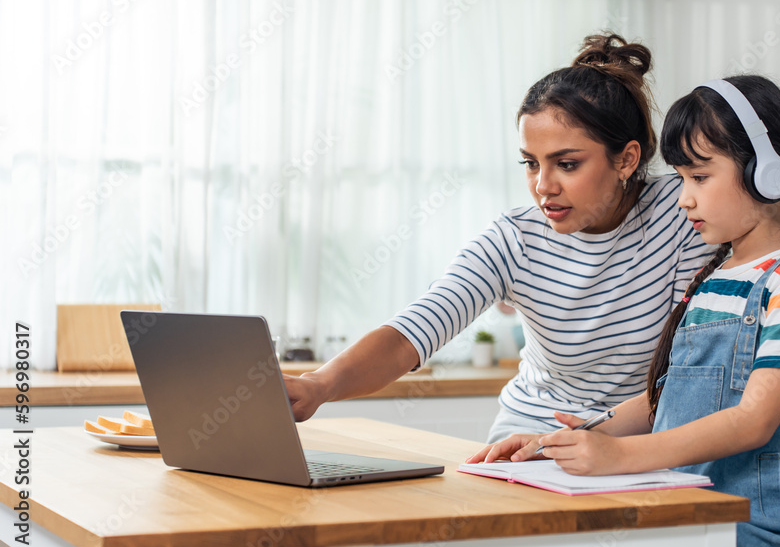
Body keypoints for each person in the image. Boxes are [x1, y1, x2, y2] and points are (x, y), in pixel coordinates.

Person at [468, 75, 780, 547]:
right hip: (708, 519)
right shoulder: (716, 276)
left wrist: (620, 455)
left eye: (700, 177)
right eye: (681, 178)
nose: (684, 198)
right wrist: (564, 440)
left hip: (773, 532)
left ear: (767, 173)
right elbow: (668, 398)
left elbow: (753, 422)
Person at [283, 33, 712, 442]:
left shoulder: (684, 212)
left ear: (627, 159)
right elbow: (410, 334)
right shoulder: (516, 238)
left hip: (643, 438)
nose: (543, 185)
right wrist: (319, 385)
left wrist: (594, 440)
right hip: (530, 433)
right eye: (530, 163)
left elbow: (685, 368)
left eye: (566, 164)